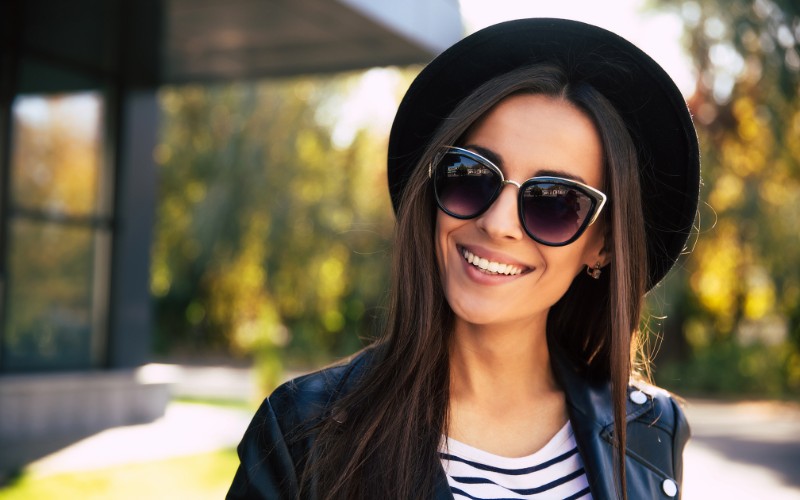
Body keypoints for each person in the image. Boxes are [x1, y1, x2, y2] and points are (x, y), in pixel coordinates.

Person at [228, 17, 700, 500]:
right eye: (473, 173)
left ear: (601, 244)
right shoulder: (303, 432)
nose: (498, 223)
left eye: (555, 202)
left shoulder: (651, 431)